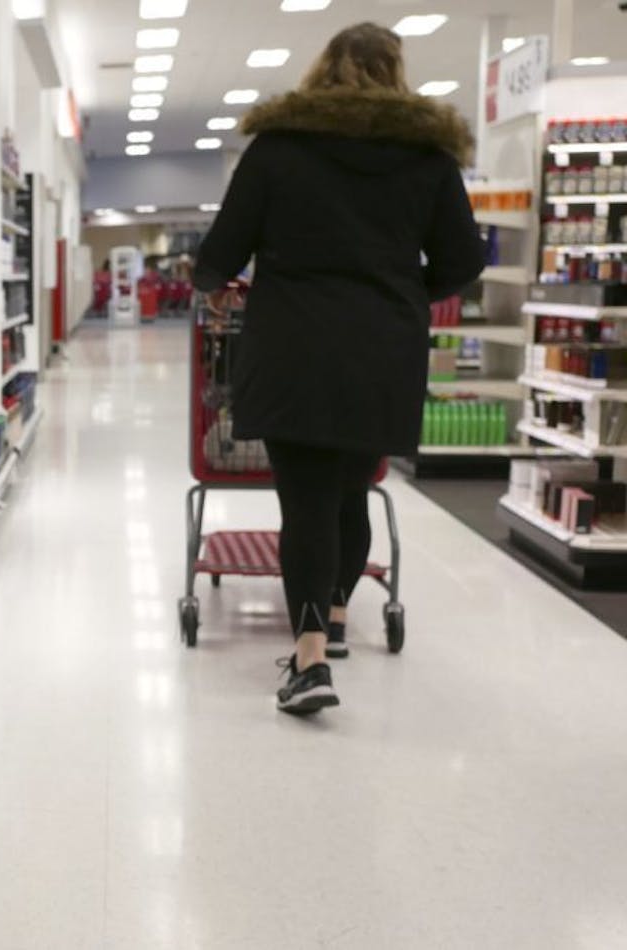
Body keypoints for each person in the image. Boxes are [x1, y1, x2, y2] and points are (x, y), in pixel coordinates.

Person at [192, 22, 484, 715]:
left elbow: (219, 253)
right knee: (353, 490)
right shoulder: (428, 158)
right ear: (396, 73)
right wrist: (407, 288)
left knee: (307, 502)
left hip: (294, 343)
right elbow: (464, 261)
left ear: (322, 70)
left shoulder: (279, 149)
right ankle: (338, 614)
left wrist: (215, 280)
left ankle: (312, 659)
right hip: (383, 345)